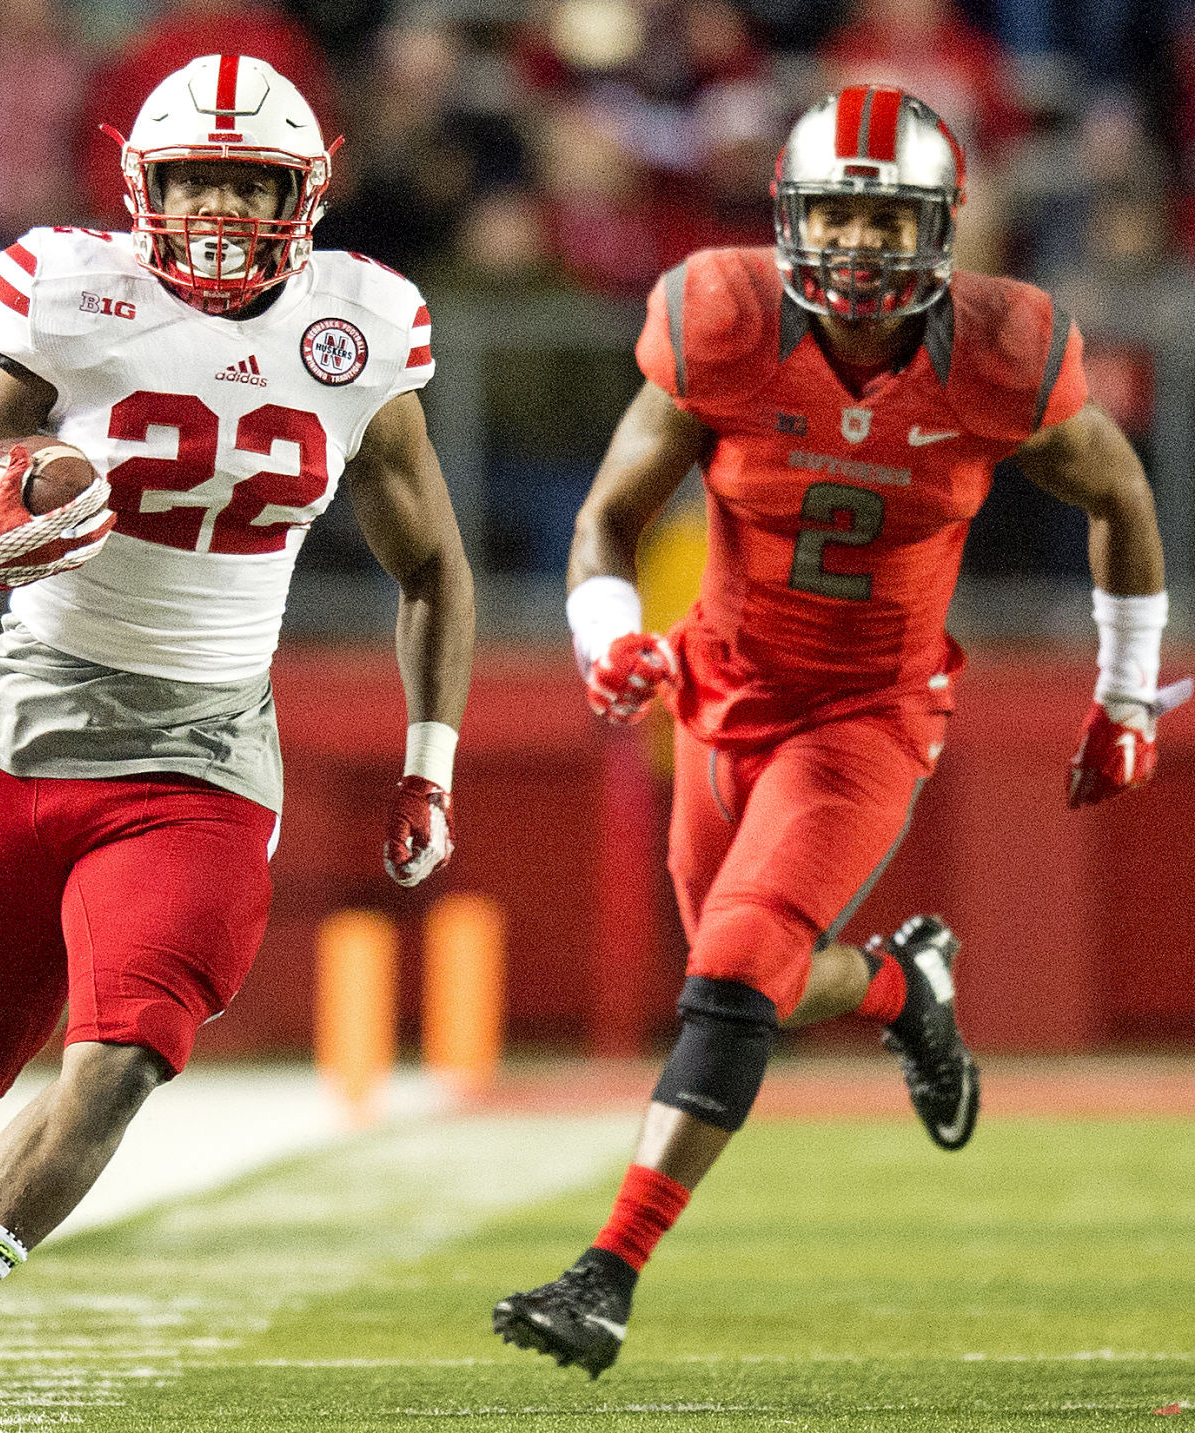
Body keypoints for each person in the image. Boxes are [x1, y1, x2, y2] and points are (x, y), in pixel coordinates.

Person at [0, 53, 474, 1421]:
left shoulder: (361, 325)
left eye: (249, 182)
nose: (221, 210)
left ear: (307, 193)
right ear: (140, 189)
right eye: (198, 181)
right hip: (28, 719)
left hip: (205, 754)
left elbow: (433, 567)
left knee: (121, 1058)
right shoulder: (70, 288)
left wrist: (428, 760)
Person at [493, 84, 1185, 1379]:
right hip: (721, 688)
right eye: (838, 214)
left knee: (734, 965)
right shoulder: (721, 316)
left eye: (886, 217)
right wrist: (603, 637)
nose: (860, 245)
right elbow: (607, 515)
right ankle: (898, 983)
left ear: (939, 230)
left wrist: (1126, 687)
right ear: (788, 219)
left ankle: (607, 1270)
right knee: (734, 966)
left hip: (867, 712)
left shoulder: (999, 348)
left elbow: (1117, 490)